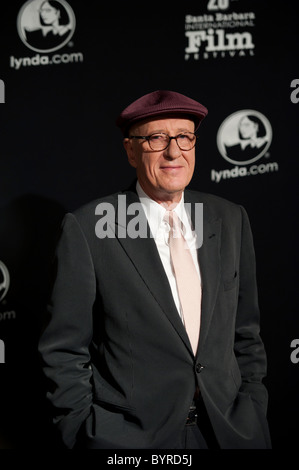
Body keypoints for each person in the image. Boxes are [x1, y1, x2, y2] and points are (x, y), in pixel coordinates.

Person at [38, 90, 271, 449]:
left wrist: (253, 405)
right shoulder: (89, 228)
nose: (173, 151)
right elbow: (64, 350)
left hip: (231, 432)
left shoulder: (230, 218)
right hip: (134, 441)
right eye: (156, 138)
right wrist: (84, 433)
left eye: (184, 137)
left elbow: (246, 332)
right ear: (131, 150)